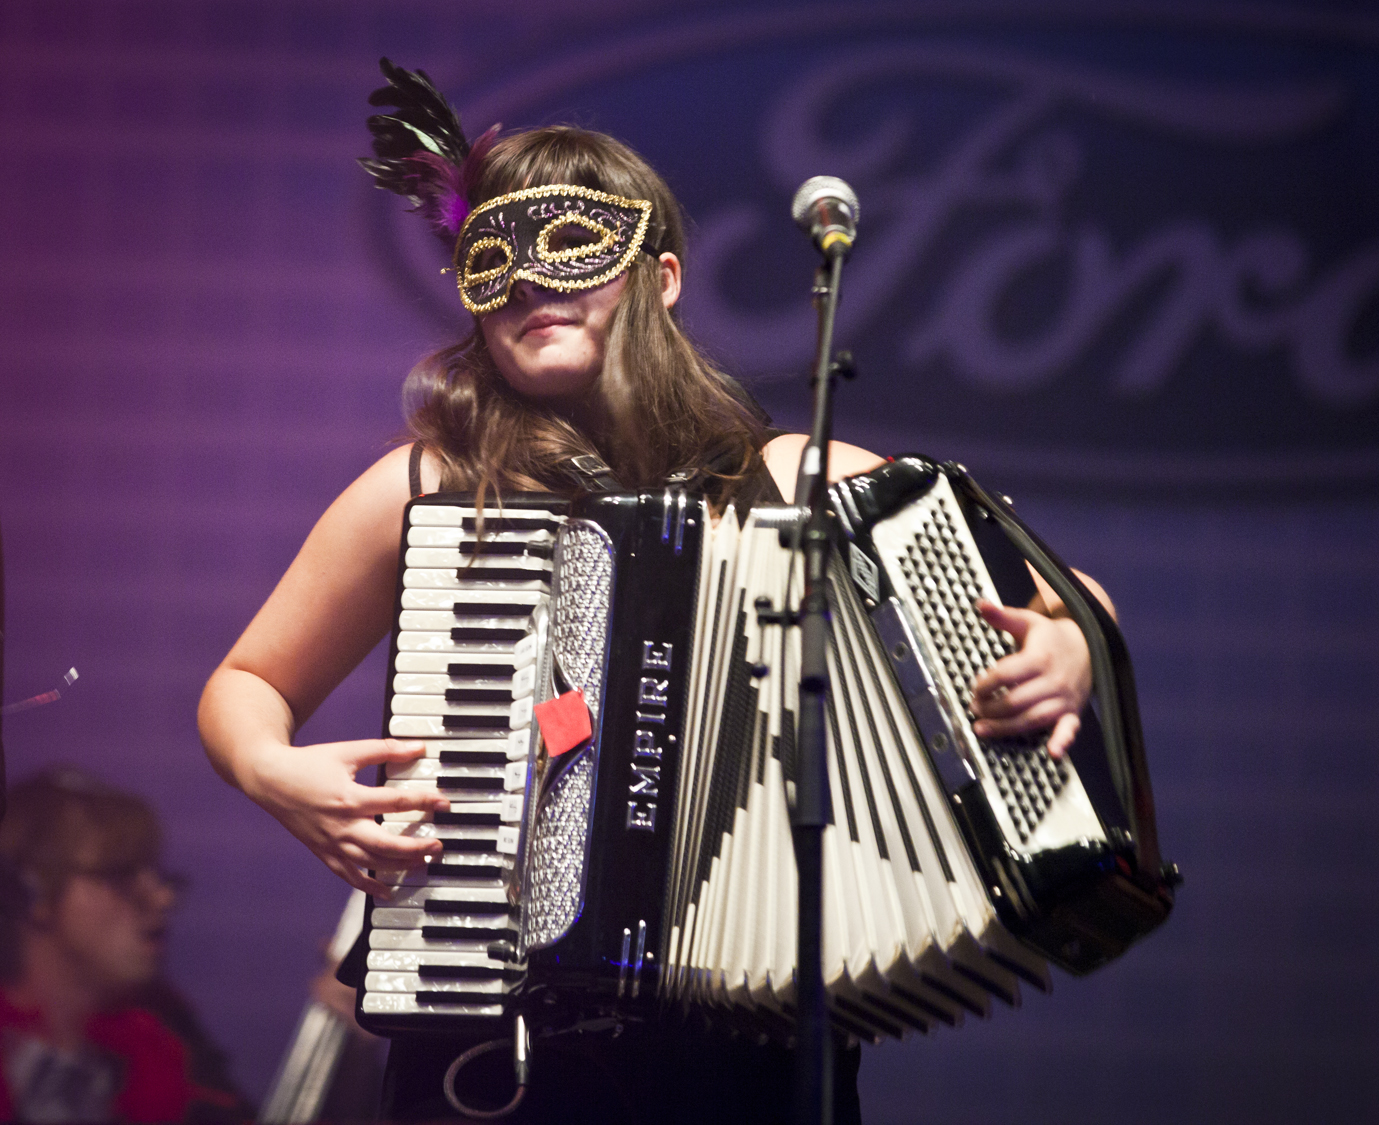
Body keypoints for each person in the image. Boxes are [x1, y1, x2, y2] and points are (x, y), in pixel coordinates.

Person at [198, 60, 1109, 1123]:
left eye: (571, 244)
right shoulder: (434, 483)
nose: (531, 281)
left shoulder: (782, 475)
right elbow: (248, 680)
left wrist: (1070, 642)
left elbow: (1064, 592)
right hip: (493, 1047)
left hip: (741, 1056)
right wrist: (275, 773)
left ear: (661, 276)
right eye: (492, 261)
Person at [0, 768, 252, 1124]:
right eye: (119, 874)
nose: (162, 897)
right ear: (33, 891)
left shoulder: (173, 1036)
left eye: (155, 874)